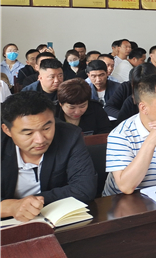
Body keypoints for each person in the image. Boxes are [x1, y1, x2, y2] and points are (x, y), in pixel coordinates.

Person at [1, 91, 96, 220]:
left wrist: (30, 203)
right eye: (28, 133)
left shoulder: (69, 136)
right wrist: (11, 207)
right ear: (7, 130)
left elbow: (84, 189)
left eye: (46, 128)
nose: (40, 140)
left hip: (56, 219)